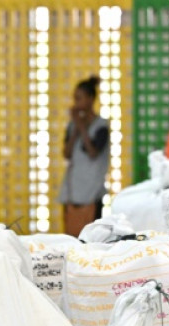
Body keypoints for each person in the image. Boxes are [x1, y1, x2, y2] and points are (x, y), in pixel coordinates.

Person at [58, 75, 109, 237]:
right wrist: (76, 128)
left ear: (91, 99)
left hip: (92, 192)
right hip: (73, 192)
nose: (76, 103)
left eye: (79, 98)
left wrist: (82, 126)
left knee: (90, 238)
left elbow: (93, 152)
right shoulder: (72, 125)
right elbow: (66, 153)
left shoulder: (101, 126)